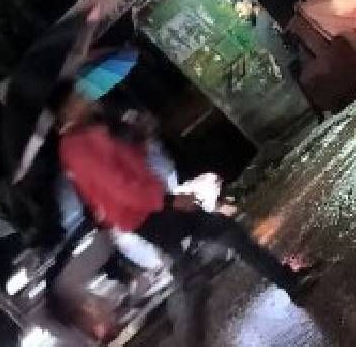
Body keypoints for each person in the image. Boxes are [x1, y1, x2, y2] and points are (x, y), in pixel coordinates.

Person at [53, 82, 318, 343]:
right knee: (212, 253)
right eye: (77, 98)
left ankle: (289, 283)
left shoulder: (90, 134)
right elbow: (119, 187)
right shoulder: (77, 148)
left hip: (148, 211)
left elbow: (128, 166)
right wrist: (167, 202)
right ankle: (289, 283)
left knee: (203, 264)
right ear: (66, 112)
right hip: (148, 214)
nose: (85, 98)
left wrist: (140, 138)